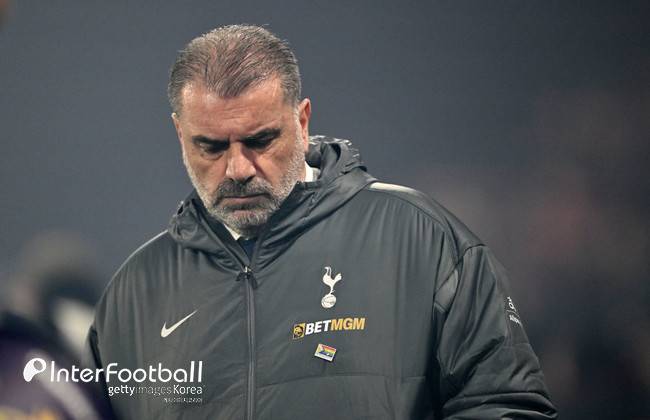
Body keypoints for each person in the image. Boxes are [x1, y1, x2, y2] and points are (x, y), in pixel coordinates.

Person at [84, 24, 557, 419]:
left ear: (303, 120)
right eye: (211, 146)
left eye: (260, 140)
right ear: (179, 134)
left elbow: (506, 406)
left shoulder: (424, 241)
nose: (238, 168)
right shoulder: (133, 294)